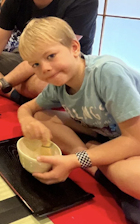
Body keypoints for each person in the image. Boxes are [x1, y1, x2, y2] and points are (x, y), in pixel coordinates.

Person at [17, 17, 140, 224]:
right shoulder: (58, 83)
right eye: (36, 64)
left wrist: (77, 161)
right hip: (107, 131)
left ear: (74, 47)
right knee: (41, 118)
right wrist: (25, 120)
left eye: (51, 56)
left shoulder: (106, 73)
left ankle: (86, 158)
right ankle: (89, 154)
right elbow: (29, 108)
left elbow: (135, 140)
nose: (44, 68)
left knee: (131, 177)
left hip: (133, 136)